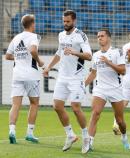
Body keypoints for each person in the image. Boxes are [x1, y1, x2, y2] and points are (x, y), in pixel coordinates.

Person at [43, 10, 92, 153]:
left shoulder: (81, 35)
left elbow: (89, 56)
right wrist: (49, 67)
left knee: (75, 107)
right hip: (63, 76)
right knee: (57, 106)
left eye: (68, 22)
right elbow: (59, 53)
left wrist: (75, 52)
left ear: (74, 21)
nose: (65, 24)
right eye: (64, 21)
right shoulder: (61, 35)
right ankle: (70, 135)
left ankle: (86, 137)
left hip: (76, 77)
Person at [85, 29, 130, 150]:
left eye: (102, 36)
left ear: (108, 38)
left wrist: (109, 63)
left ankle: (124, 136)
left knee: (120, 121)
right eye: (98, 36)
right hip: (100, 89)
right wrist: (82, 85)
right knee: (95, 114)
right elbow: (93, 74)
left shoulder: (117, 52)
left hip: (115, 89)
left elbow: (123, 71)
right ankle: (89, 143)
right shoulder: (95, 55)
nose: (100, 38)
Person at [6, 14, 44, 144]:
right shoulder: (34, 37)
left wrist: (18, 58)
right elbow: (33, 50)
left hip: (17, 75)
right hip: (31, 75)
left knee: (16, 104)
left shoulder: (16, 38)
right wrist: (39, 61)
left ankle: (12, 131)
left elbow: (7, 56)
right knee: (34, 103)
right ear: (32, 24)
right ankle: (29, 133)